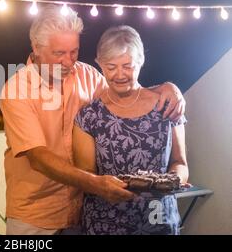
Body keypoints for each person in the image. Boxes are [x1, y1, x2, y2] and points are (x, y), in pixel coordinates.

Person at [0, 5, 186, 235]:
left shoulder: (86, 74)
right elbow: (38, 158)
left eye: (74, 52)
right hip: (36, 216)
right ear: (36, 48)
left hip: (80, 211)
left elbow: (124, 90)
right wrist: (96, 184)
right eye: (59, 54)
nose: (68, 62)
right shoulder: (16, 90)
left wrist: (167, 88)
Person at [73, 25, 189, 235]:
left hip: (159, 219)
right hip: (106, 223)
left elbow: (179, 162)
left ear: (141, 61)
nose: (119, 75)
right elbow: (86, 176)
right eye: (111, 66)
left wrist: (175, 181)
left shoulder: (168, 105)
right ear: (99, 64)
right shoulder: (89, 116)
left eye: (127, 66)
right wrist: (101, 186)